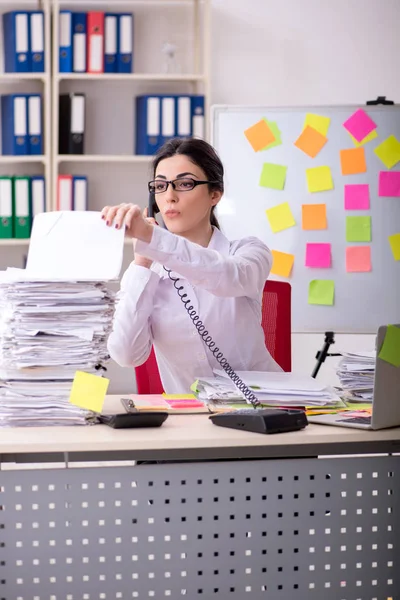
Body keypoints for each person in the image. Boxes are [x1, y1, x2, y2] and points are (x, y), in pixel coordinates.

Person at [102, 137, 282, 394]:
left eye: (185, 184)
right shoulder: (149, 276)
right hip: (192, 420)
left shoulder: (248, 252)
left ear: (215, 194)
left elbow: (225, 277)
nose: (170, 197)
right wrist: (142, 264)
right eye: (161, 186)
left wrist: (153, 238)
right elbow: (126, 355)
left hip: (264, 410)